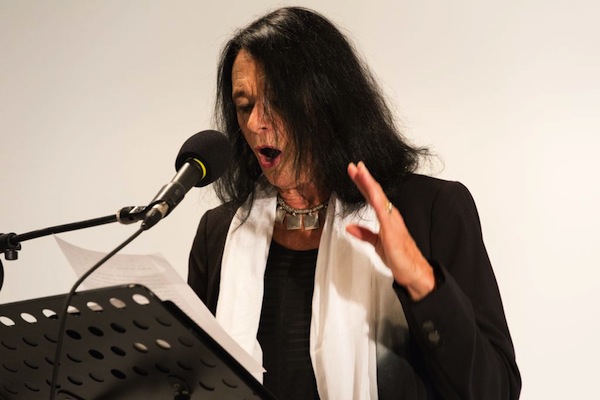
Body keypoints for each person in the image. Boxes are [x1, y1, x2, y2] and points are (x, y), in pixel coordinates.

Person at [188, 6, 521, 400]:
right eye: (245, 105)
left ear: (328, 101)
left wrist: (419, 278)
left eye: (277, 101)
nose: (256, 122)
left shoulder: (431, 212)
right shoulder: (219, 234)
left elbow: (495, 391)